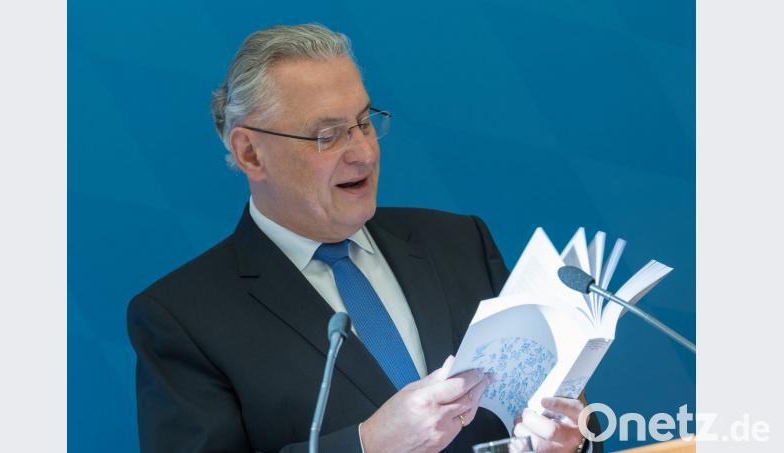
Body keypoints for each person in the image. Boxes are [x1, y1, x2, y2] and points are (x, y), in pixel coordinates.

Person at [128, 24, 601, 453]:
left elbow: (560, 412)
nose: (363, 153)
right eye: (328, 135)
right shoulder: (183, 318)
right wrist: (367, 445)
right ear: (251, 153)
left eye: (364, 122)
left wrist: (567, 442)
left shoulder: (459, 243)